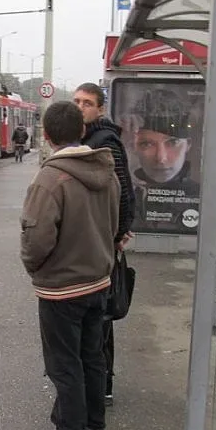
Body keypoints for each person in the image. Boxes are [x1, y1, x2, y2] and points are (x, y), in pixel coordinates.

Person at [20, 101, 120, 430]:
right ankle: (95, 427)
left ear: (45, 135)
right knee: (92, 357)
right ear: (82, 131)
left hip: (62, 288)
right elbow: (112, 224)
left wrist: (36, 269)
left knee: (65, 366)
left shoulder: (50, 179)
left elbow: (36, 238)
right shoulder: (105, 171)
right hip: (98, 280)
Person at [73, 82, 135, 407]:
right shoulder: (87, 138)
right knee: (98, 317)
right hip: (99, 243)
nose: (80, 106)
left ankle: (103, 385)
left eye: (87, 103)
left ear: (99, 109)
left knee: (101, 319)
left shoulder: (103, 141)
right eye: (76, 101)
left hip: (103, 246)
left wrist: (117, 236)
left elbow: (124, 192)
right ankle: (100, 384)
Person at [128, 89, 200, 232]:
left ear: (188, 145)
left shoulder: (204, 200)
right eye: (147, 144)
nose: (161, 158)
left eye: (172, 143)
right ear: (134, 146)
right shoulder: (123, 196)